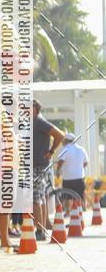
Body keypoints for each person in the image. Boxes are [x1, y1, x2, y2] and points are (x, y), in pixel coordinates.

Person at [32, 100, 64, 239]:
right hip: (37, 165)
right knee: (41, 197)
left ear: (36, 109)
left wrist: (51, 151)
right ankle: (42, 228)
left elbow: (60, 135)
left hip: (38, 165)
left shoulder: (40, 122)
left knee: (35, 198)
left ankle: (40, 230)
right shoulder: (32, 123)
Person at [56, 133, 89, 205]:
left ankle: (67, 210)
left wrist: (57, 172)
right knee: (81, 195)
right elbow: (86, 162)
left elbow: (60, 162)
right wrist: (79, 168)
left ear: (66, 140)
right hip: (80, 177)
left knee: (67, 197)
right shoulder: (81, 149)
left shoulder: (65, 149)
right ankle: (83, 209)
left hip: (68, 177)